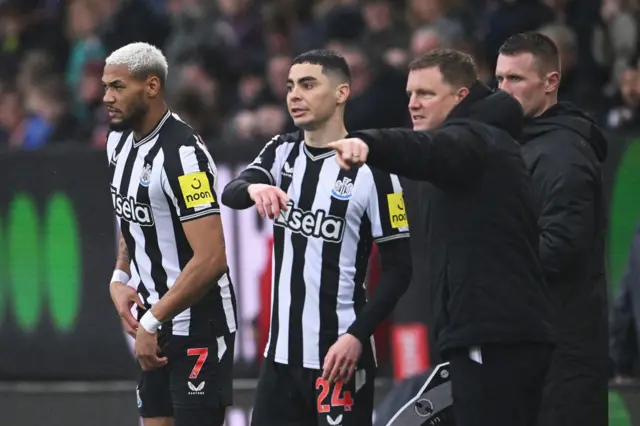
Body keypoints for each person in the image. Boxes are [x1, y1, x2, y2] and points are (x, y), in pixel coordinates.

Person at [328, 48, 554, 426]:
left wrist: (369, 143)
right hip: (502, 334)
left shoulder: (472, 141)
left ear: (460, 97)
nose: (413, 105)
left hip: (492, 337)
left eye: (426, 94)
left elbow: (429, 150)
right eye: (410, 94)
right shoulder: (490, 140)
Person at [221, 49, 412, 426]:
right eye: (291, 86)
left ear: (342, 93)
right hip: (280, 360)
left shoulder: (376, 172)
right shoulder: (281, 152)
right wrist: (254, 190)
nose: (294, 95)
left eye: (308, 85)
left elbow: (399, 269)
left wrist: (357, 336)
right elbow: (232, 190)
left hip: (339, 359)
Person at [104, 42, 237, 426]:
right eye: (105, 86)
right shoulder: (118, 142)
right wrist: (119, 275)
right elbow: (135, 217)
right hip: (154, 320)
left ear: (151, 86)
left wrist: (151, 322)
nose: (106, 97)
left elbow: (212, 258)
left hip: (198, 324)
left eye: (117, 87)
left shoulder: (183, 154)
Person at [495, 32, 609, 426]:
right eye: (499, 80)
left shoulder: (563, 154)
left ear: (551, 82)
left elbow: (559, 248)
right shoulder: (521, 143)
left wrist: (489, 264)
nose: (504, 90)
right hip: (532, 346)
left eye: (516, 79)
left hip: (562, 355)